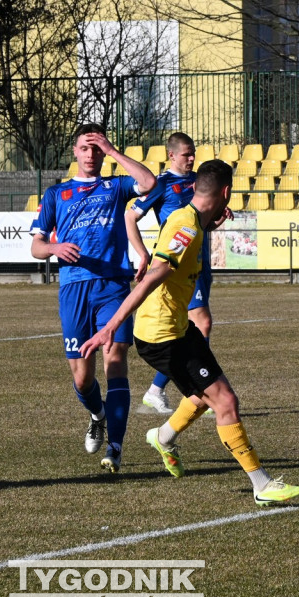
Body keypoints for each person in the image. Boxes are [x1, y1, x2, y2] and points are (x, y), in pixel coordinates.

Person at [79, 160, 299, 506]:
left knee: (203, 395)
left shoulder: (190, 219)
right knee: (225, 400)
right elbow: (154, 275)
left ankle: (163, 436)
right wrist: (111, 325)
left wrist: (211, 224)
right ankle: (261, 484)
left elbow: (186, 237)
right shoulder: (185, 226)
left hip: (177, 328)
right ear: (226, 192)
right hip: (161, 336)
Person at [31, 123, 158, 473]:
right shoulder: (57, 194)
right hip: (74, 290)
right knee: (82, 377)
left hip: (113, 286)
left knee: (115, 359)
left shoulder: (116, 187)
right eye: (85, 148)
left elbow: (149, 184)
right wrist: (55, 246)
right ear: (74, 152)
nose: (91, 155)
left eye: (97, 149)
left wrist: (115, 150)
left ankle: (115, 448)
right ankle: (97, 415)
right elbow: (36, 246)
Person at [126, 132, 228, 415]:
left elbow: (201, 226)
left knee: (192, 326)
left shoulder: (199, 182)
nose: (192, 158)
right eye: (186, 154)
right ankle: (168, 390)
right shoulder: (162, 185)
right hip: (178, 266)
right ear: (171, 155)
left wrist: (216, 218)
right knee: (202, 323)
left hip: (199, 264)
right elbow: (129, 217)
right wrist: (143, 253)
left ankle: (189, 389)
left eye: (193, 153)